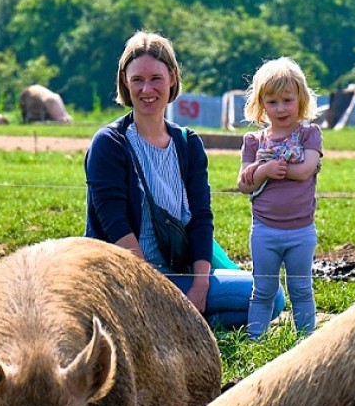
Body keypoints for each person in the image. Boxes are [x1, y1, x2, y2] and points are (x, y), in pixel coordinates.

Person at [85, 30, 267, 329]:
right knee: (256, 301)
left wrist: (200, 286)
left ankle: (177, 326)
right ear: (124, 82)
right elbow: (113, 221)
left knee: (271, 299)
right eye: (137, 80)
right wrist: (150, 286)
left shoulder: (187, 143)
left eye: (156, 78)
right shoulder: (109, 143)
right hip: (127, 277)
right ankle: (177, 324)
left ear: (172, 77)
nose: (147, 89)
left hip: (180, 272)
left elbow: (201, 218)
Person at [236, 57, 322, 337]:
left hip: (301, 230)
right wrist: (263, 170)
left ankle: (306, 341)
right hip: (265, 230)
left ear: (301, 99)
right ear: (261, 104)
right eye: (272, 102)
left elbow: (306, 170)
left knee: (301, 289)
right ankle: (255, 340)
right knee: (263, 289)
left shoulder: (309, 134)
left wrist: (277, 170)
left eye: (287, 100)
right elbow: (244, 184)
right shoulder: (253, 141)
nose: (281, 108)